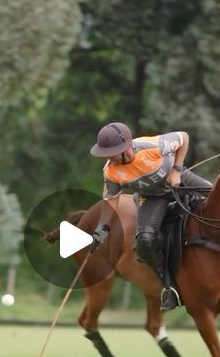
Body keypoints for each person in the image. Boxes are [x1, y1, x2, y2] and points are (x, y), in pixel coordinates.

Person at [90, 122, 211, 311]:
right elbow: (111, 200)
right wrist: (102, 227)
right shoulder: (111, 171)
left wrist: (177, 170)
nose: (108, 158)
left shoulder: (154, 145)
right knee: (145, 241)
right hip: (152, 198)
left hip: (181, 180)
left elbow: (184, 137)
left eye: (110, 153)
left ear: (126, 147)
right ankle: (169, 287)